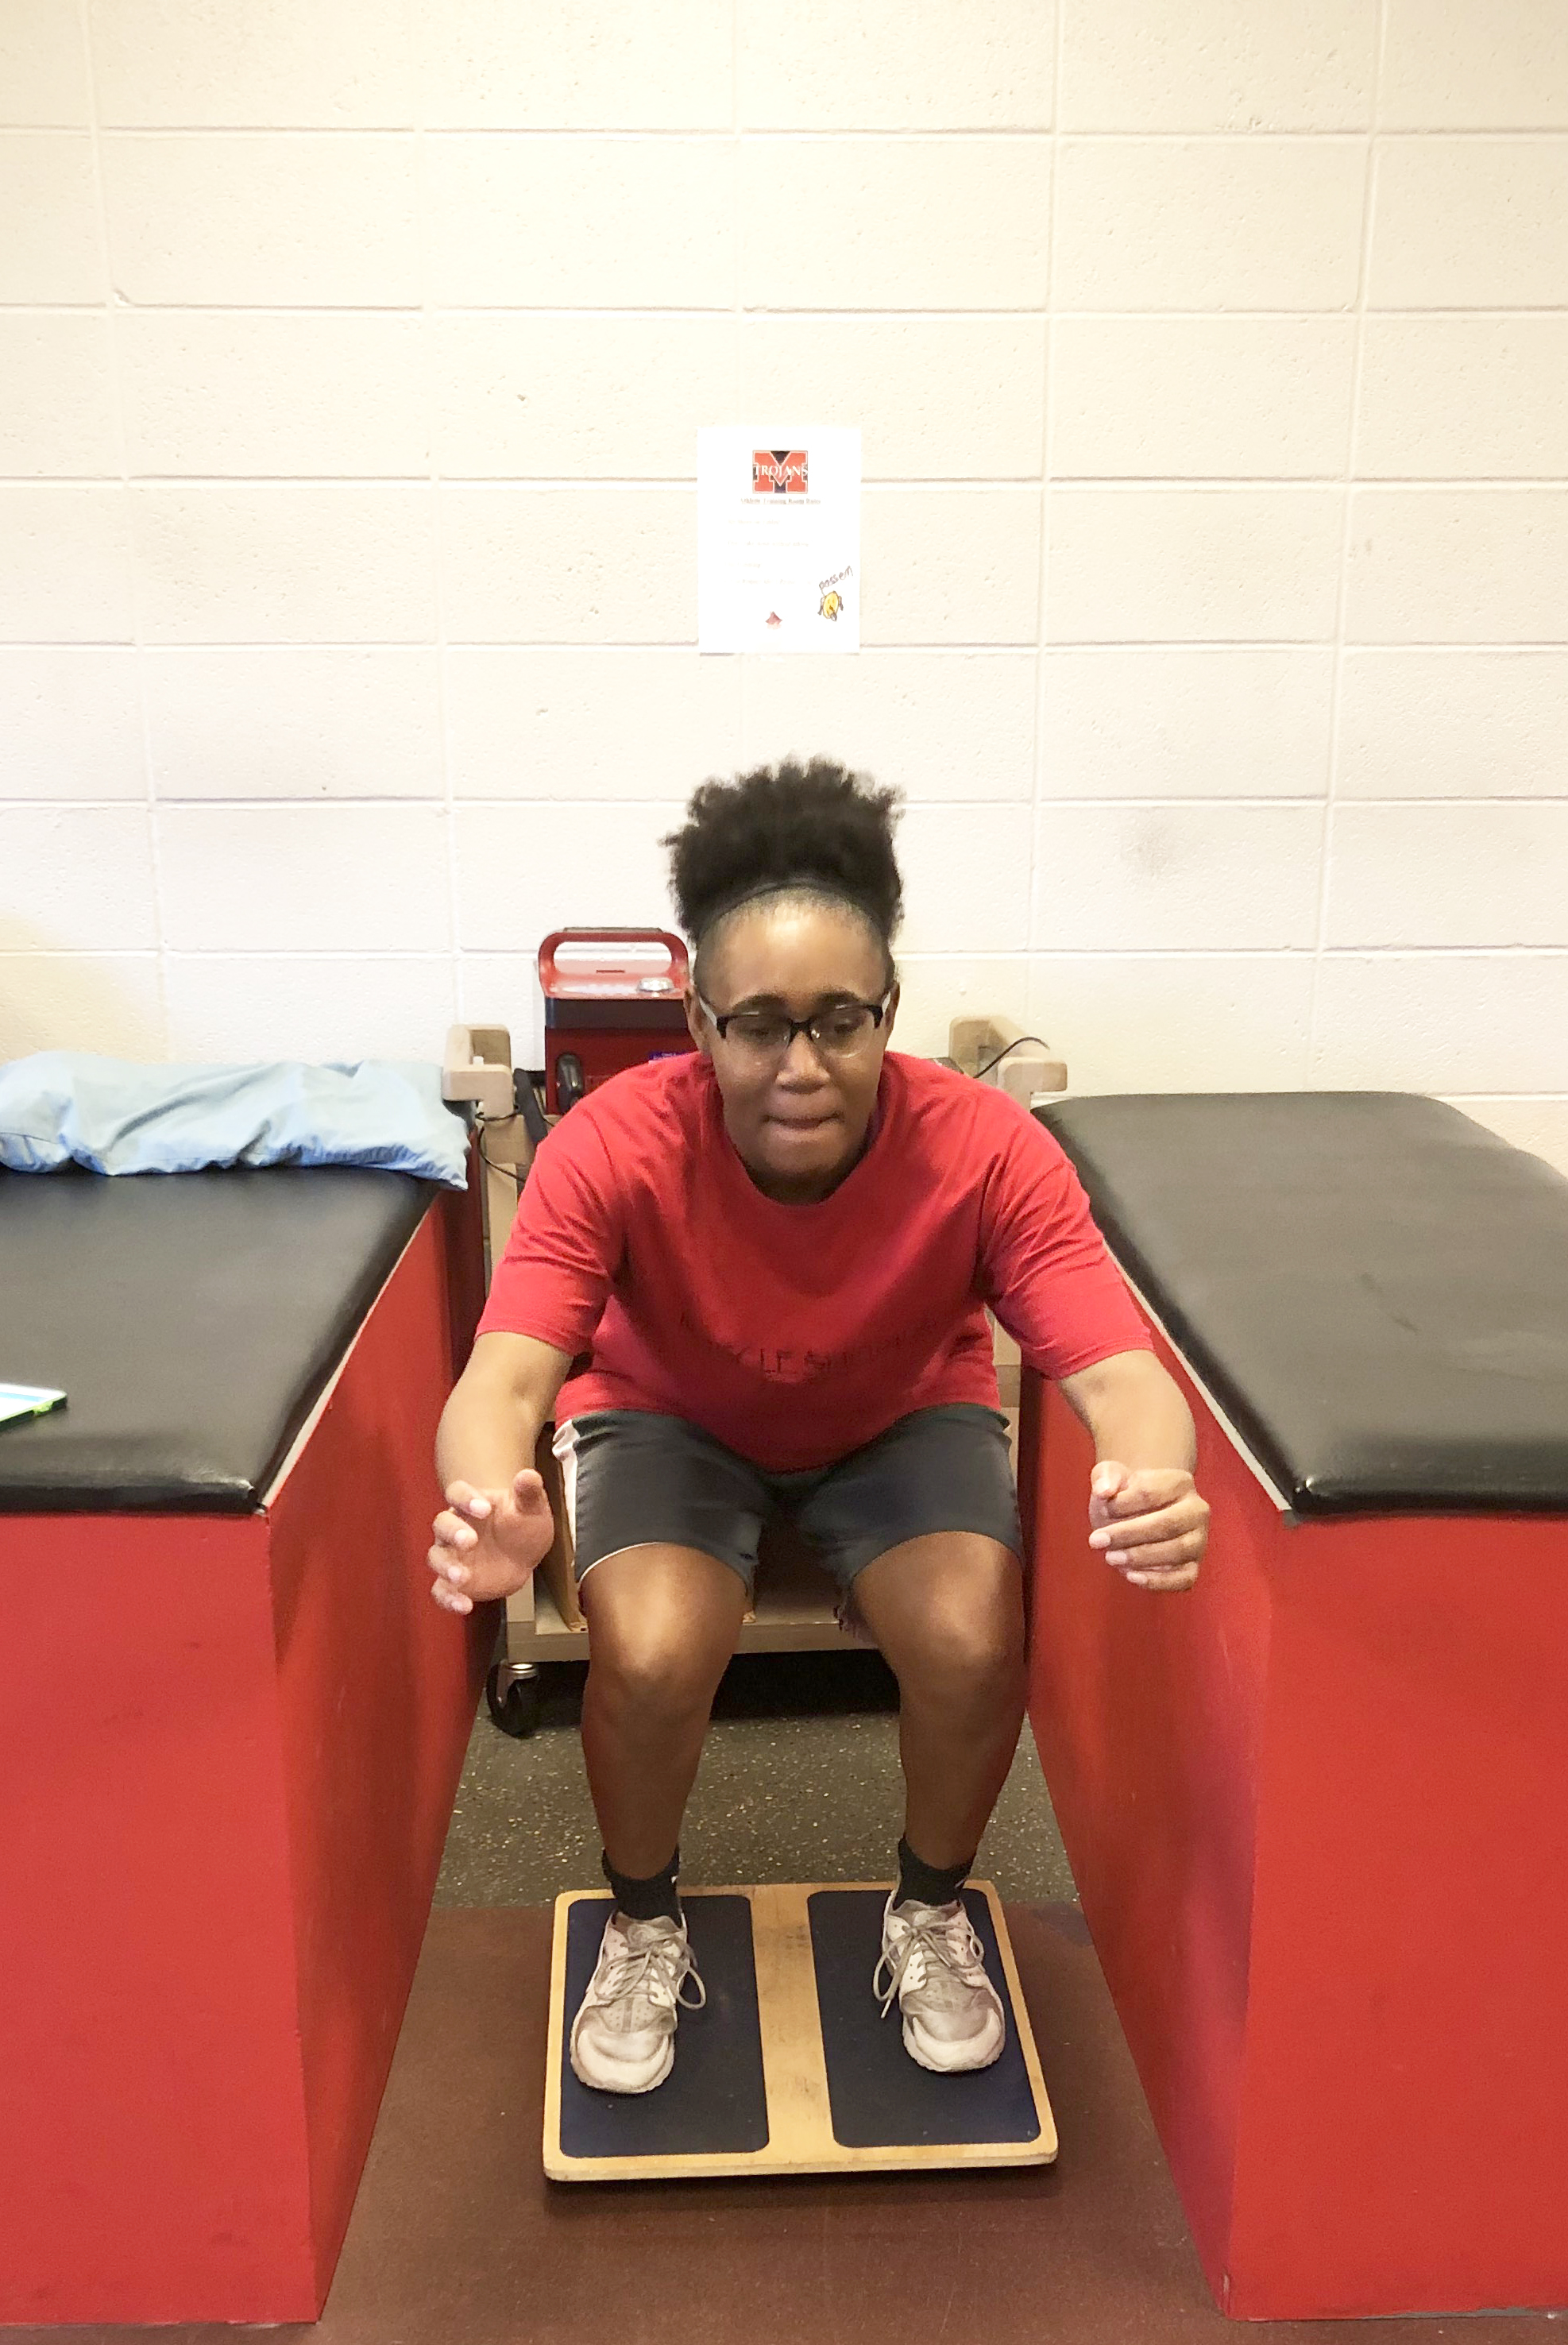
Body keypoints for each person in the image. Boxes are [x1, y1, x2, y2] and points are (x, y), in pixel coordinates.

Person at [428, 759, 1210, 2096]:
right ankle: (642, 1919)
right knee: (657, 1650)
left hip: (897, 1420)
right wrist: (490, 1498)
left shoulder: (986, 1150)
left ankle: (927, 1909)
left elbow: (1118, 1367)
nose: (801, 1065)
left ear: (886, 1012)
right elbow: (503, 1376)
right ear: (697, 1018)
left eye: (840, 1021)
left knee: (973, 1639)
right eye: (757, 1024)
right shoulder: (612, 1144)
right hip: (668, 1417)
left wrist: (1157, 1475)